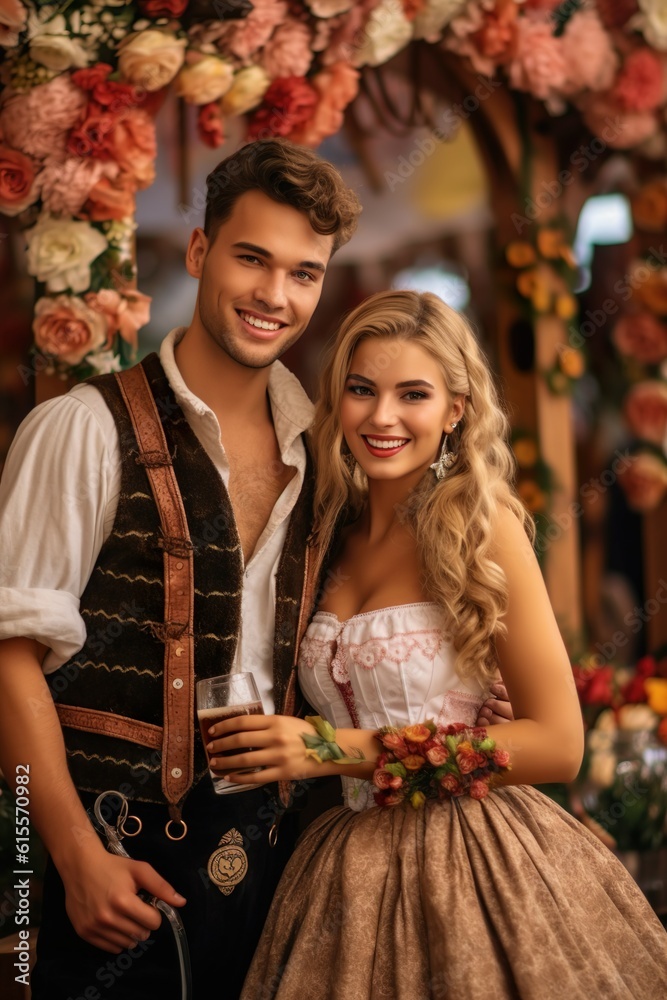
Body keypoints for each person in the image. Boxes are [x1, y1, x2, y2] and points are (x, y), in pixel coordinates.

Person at [0, 142, 510, 999]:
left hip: (282, 873)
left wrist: (461, 701)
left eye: (304, 274)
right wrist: (63, 856)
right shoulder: (81, 429)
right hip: (111, 864)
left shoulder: (330, 457)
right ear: (200, 254)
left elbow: (354, 639)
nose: (276, 296)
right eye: (252, 259)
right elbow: (9, 662)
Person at [205, 290, 667, 999]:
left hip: (480, 857)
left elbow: (557, 744)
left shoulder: (483, 530)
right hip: (339, 868)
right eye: (360, 390)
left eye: (411, 394)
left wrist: (330, 750)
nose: (381, 417)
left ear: (454, 409)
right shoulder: (322, 535)